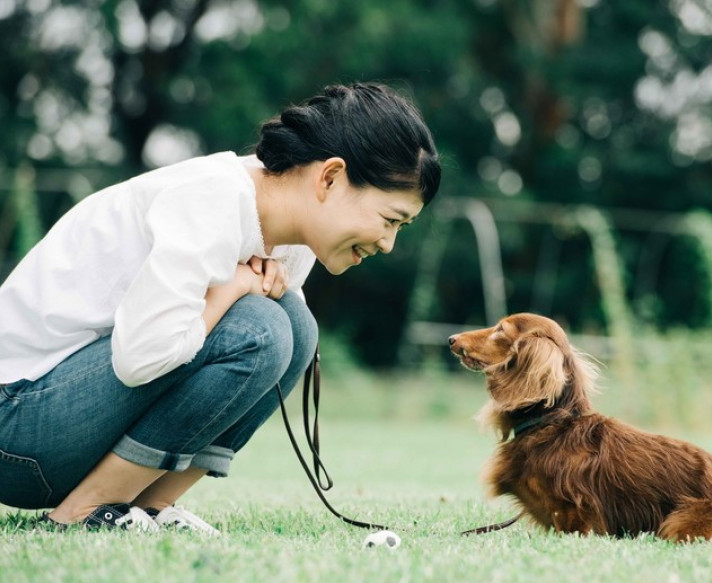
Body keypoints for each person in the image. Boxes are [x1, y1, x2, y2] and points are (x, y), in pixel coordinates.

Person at [0, 82, 441, 533]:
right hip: (15, 427)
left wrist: (240, 290)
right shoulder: (211, 198)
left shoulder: (296, 240)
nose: (387, 244)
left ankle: (148, 507)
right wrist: (230, 290)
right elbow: (141, 359)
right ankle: (82, 512)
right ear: (329, 177)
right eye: (389, 220)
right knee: (261, 329)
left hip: (67, 426)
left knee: (296, 328)